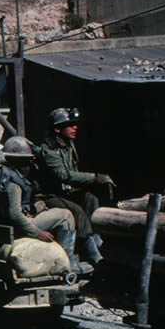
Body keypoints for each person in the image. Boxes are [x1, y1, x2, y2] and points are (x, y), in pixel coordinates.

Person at [0, 137, 93, 275]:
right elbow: (15, 215)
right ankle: (68, 265)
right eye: (27, 160)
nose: (29, 164)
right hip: (16, 227)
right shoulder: (13, 183)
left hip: (5, 226)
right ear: (19, 160)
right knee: (65, 215)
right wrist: (37, 233)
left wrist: (34, 208)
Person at [36, 108, 112, 264]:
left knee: (90, 199)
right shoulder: (49, 150)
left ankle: (91, 239)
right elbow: (64, 175)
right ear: (57, 129)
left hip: (65, 193)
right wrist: (94, 178)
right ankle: (89, 253)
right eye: (69, 125)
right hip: (49, 196)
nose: (75, 128)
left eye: (74, 124)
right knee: (77, 211)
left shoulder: (68, 146)